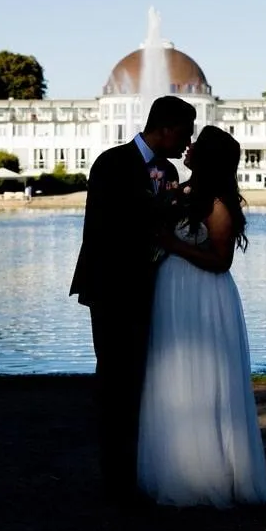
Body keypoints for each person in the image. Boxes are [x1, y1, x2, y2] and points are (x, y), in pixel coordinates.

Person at [137, 125, 266, 508]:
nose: (189, 145)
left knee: (203, 375)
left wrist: (172, 245)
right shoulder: (183, 193)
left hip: (202, 293)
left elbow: (221, 261)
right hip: (174, 291)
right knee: (175, 373)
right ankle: (179, 464)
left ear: (208, 156)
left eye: (196, 143)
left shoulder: (217, 203)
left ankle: (209, 472)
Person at [70, 95, 197, 507]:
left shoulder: (169, 170)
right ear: (164, 127)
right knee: (115, 379)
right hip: (111, 286)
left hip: (147, 288)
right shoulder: (112, 163)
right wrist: (169, 203)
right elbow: (115, 224)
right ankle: (116, 480)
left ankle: (137, 469)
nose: (186, 141)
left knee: (141, 380)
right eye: (184, 132)